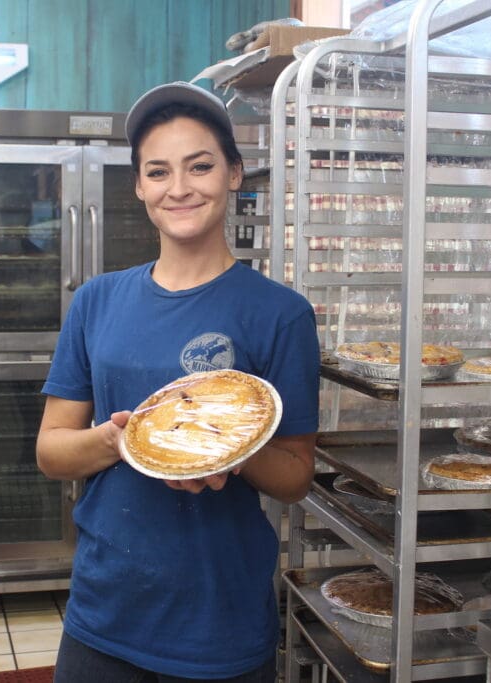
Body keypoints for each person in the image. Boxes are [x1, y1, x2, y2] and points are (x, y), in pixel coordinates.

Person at [36, 81, 321, 682]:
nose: (180, 188)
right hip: (104, 612)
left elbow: (295, 476)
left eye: (200, 166)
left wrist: (225, 450)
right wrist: (124, 441)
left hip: (219, 621)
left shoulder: (280, 313)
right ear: (140, 185)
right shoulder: (97, 301)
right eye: (158, 171)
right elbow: (52, 452)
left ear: (235, 173)